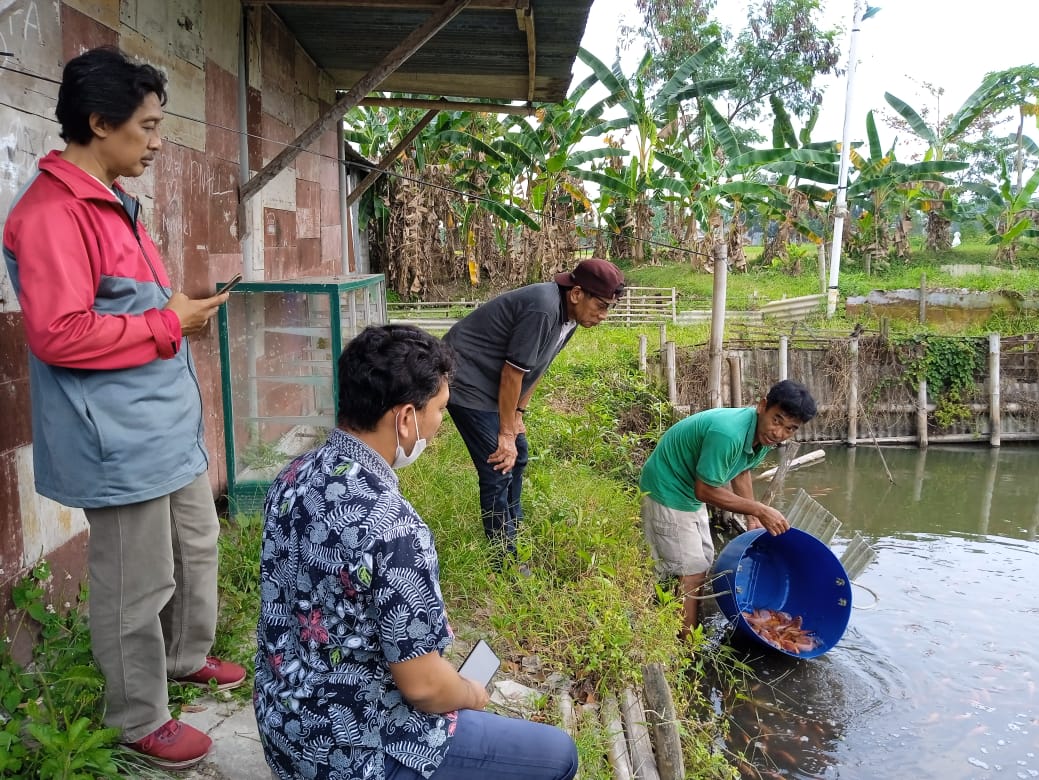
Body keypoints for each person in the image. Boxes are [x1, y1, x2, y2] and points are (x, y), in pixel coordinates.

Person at [2, 47, 244, 770]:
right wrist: (174, 323)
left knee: (195, 549)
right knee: (134, 581)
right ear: (100, 123)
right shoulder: (50, 214)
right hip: (115, 434)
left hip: (164, 421)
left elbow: (135, 305)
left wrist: (177, 315)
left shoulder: (115, 200)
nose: (158, 141)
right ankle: (138, 716)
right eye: (147, 126)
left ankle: (181, 657)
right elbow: (59, 333)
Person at [254, 324, 579, 780]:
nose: (441, 423)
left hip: (283, 723)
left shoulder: (293, 477)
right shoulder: (394, 528)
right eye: (440, 409)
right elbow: (425, 687)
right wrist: (471, 693)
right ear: (406, 418)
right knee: (559, 755)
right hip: (355, 749)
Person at [442, 258, 625, 564]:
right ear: (577, 293)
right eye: (602, 305)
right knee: (498, 464)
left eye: (610, 308)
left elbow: (537, 367)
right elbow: (512, 374)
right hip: (466, 379)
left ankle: (514, 528)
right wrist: (504, 432)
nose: (604, 315)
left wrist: (517, 416)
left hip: (493, 383)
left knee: (520, 453)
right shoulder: (543, 308)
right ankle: (504, 558)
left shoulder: (570, 320)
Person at [638, 380, 818, 638]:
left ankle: (675, 613)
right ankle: (685, 641)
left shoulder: (759, 435)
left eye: (790, 428)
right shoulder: (729, 433)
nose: (779, 433)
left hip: (687, 491)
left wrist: (752, 516)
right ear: (762, 406)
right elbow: (706, 491)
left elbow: (741, 470)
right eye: (777, 420)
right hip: (668, 489)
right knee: (691, 570)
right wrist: (760, 509)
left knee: (702, 558)